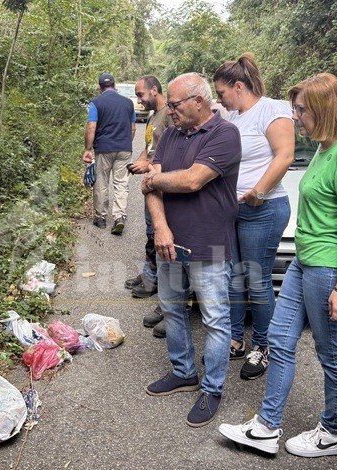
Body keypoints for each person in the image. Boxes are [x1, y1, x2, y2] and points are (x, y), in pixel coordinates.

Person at [217, 72, 337, 457]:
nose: (296, 117)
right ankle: (266, 427)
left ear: (324, 110)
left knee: (332, 355)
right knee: (281, 343)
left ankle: (333, 432)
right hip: (304, 263)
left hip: (327, 270)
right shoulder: (323, 148)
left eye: (301, 110)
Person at [142, 72, 242, 427]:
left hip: (209, 244)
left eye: (174, 104)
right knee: (172, 308)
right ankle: (184, 371)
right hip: (170, 242)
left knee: (216, 320)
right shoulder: (170, 134)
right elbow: (149, 187)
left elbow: (192, 179)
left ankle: (212, 388)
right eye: (167, 104)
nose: (169, 111)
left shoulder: (224, 134)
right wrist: (162, 228)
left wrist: (156, 177)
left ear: (199, 102)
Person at [212, 54, 294, 380]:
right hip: (231, 210)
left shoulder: (272, 110)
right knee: (232, 276)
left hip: (263, 210)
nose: (219, 99)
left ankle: (263, 346)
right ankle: (235, 339)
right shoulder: (233, 117)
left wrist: (258, 192)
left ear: (238, 86)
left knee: (257, 281)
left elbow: (285, 155)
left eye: (221, 93)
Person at [123, 76, 174, 325]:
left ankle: (168, 301)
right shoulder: (154, 115)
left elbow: (169, 155)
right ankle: (149, 277)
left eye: (141, 94)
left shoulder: (169, 116)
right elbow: (150, 148)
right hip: (151, 185)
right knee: (151, 237)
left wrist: (149, 164)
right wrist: (139, 161)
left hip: (163, 187)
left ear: (155, 90)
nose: (139, 100)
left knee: (161, 240)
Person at [83, 73, 136, 235]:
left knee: (101, 182)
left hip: (104, 149)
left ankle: (100, 218)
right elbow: (133, 128)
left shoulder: (96, 103)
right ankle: (119, 217)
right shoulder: (128, 103)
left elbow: (92, 127)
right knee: (121, 184)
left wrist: (87, 149)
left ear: (100, 88)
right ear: (114, 85)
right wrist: (126, 142)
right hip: (124, 148)